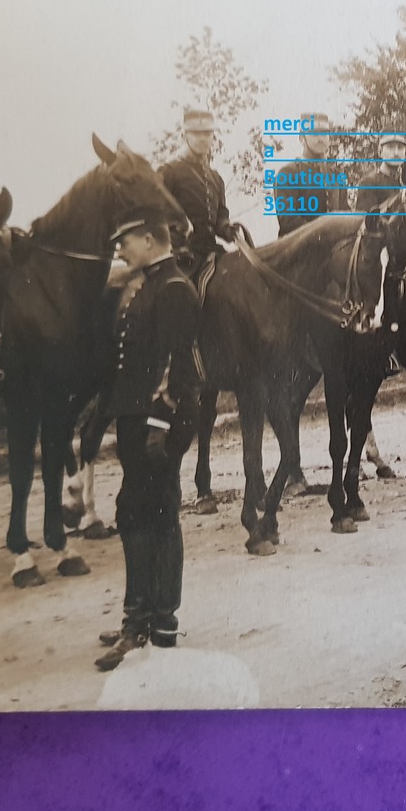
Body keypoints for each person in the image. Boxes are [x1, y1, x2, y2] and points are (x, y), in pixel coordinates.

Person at [95, 207, 201, 672]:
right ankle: (149, 619)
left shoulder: (174, 289)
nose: (120, 250)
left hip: (159, 421)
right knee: (142, 511)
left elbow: (176, 367)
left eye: (126, 241)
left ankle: (149, 624)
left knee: (150, 513)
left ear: (150, 241)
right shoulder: (153, 284)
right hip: (140, 416)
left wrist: (159, 425)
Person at [159, 108, 233, 273]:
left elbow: (220, 217)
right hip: (180, 255)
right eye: (196, 133)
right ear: (184, 136)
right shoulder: (169, 172)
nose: (202, 138)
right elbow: (157, 215)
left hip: (210, 250)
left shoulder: (216, 178)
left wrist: (228, 229)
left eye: (207, 134)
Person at [272, 112, 345, 237]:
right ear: (302, 139)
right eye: (314, 134)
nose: (320, 139)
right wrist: (323, 235)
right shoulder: (288, 173)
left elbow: (345, 213)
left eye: (324, 134)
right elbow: (288, 221)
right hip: (298, 248)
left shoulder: (336, 175)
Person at [352, 134, 406, 210]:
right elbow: (364, 219)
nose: (396, 153)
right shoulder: (369, 183)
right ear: (380, 152)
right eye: (390, 147)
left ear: (405, 153)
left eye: (400, 148)